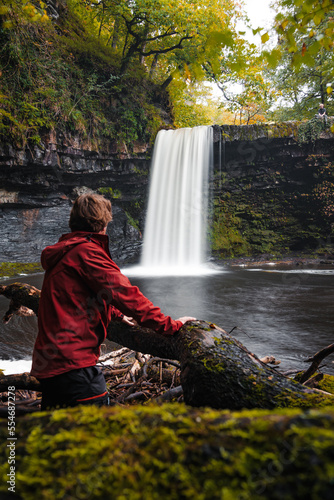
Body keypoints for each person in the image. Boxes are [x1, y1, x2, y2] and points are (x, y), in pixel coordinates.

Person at [31, 193, 195, 410]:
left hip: (50, 366)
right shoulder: (86, 252)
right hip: (73, 366)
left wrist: (116, 314)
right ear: (102, 223)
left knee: (57, 437)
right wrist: (171, 326)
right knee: (100, 431)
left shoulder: (66, 251)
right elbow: (126, 294)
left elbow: (78, 297)